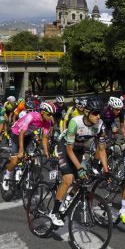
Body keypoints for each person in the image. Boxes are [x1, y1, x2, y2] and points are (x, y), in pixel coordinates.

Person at [51, 97, 109, 226]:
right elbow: (69, 149)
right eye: (95, 113)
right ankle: (54, 212)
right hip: (65, 147)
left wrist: (106, 170)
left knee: (84, 178)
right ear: (87, 112)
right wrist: (79, 167)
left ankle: (69, 198)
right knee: (68, 178)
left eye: (100, 113)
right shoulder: (75, 122)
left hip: (80, 149)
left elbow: (102, 149)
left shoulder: (100, 125)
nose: (98, 116)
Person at [1, 102, 55, 191]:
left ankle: (26, 178)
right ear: (42, 112)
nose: (51, 117)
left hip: (28, 136)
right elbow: (22, 133)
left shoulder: (47, 122)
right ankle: (7, 175)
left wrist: (46, 151)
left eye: (52, 114)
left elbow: (44, 138)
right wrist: (21, 150)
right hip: (16, 134)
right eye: (49, 114)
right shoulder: (31, 116)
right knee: (14, 162)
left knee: (31, 159)